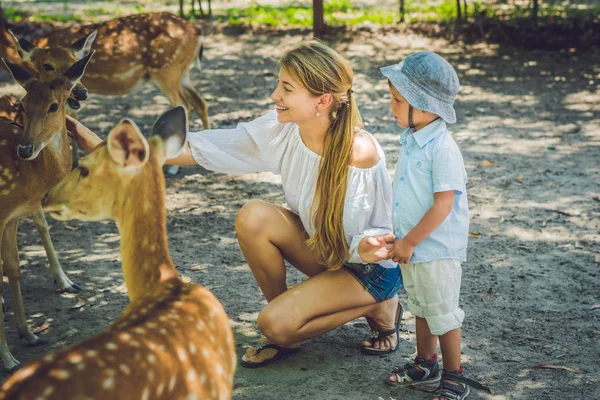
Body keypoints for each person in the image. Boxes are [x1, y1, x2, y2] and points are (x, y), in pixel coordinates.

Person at [66, 41, 404, 368]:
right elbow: (209, 148)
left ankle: (377, 307)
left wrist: (367, 245)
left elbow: (373, 234)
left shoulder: (358, 152)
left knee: (273, 323)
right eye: (278, 85)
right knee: (253, 217)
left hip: (367, 269)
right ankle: (291, 322)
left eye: (287, 88)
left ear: (323, 100)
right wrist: (108, 152)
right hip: (329, 251)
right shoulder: (285, 131)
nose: (275, 96)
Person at [368, 52, 480, 400]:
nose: (391, 106)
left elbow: (443, 204)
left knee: (443, 313)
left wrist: (411, 241)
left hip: (435, 248)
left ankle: (454, 375)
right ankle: (425, 360)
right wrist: (402, 238)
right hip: (414, 245)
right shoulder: (415, 140)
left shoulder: (442, 149)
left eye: (398, 100)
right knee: (421, 307)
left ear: (424, 104)